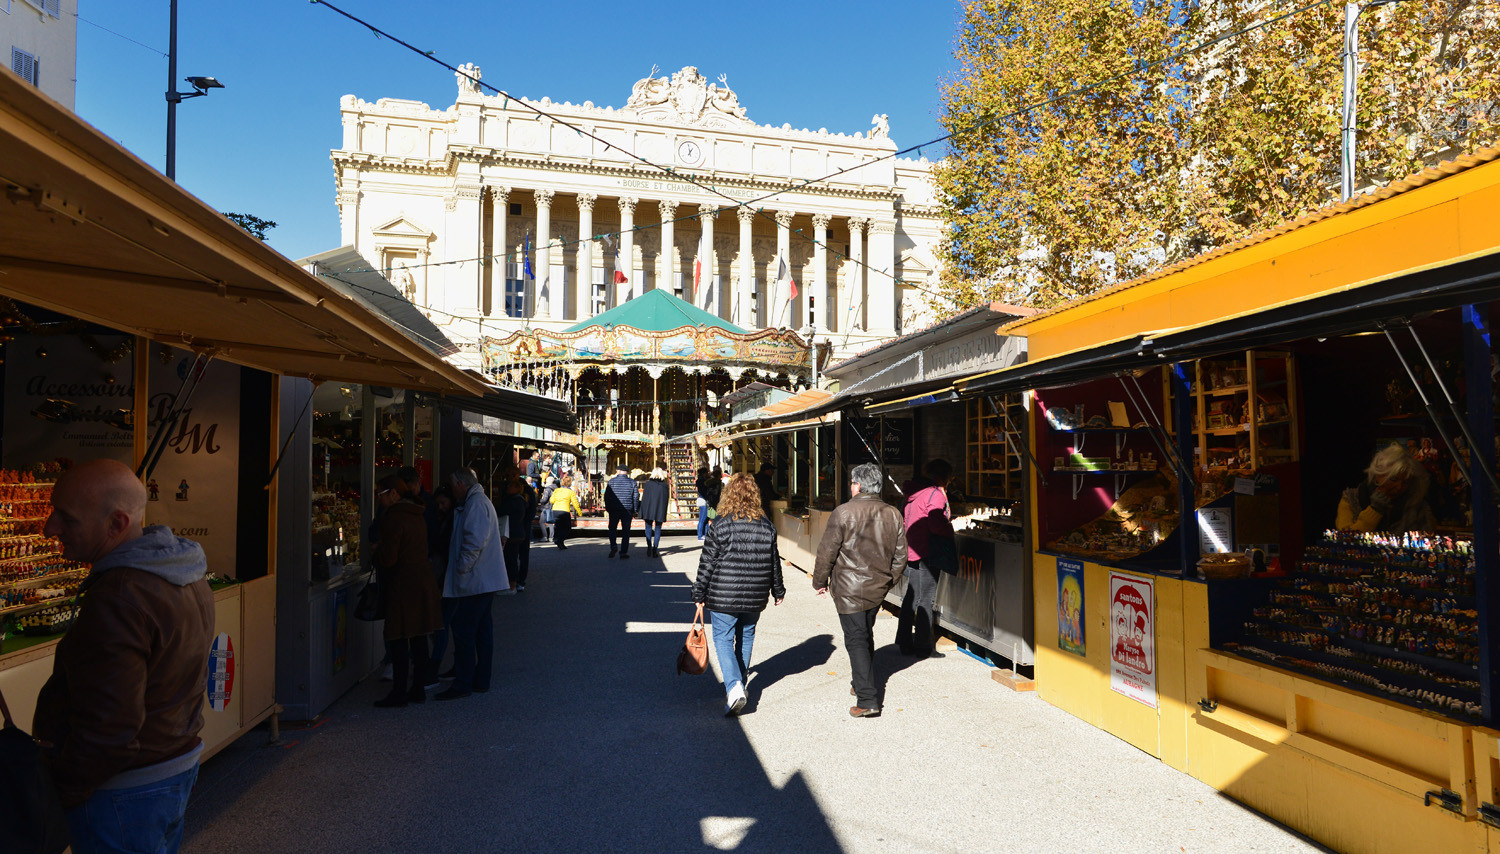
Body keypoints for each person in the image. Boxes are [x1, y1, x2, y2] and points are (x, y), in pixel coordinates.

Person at [33, 460, 214, 853]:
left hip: (123, 792)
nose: (49, 528)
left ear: (116, 524)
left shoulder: (119, 596)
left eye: (66, 517)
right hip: (172, 769)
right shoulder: (183, 572)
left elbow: (109, 732)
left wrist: (60, 791)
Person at [812, 462, 907, 718]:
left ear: (859, 485)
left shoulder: (843, 512)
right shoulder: (893, 514)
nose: (851, 487)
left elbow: (826, 551)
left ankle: (867, 699)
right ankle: (860, 681)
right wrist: (888, 581)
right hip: (877, 587)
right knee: (864, 635)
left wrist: (819, 581)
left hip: (849, 588)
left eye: (852, 483)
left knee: (856, 640)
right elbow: (901, 556)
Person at [692, 473, 785, 716]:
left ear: (728, 494)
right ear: (755, 496)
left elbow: (707, 562)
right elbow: (774, 561)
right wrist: (778, 590)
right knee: (746, 636)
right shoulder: (767, 526)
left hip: (723, 594)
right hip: (755, 594)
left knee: (723, 638)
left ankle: (734, 687)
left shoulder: (720, 524)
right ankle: (739, 685)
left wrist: (699, 592)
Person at [438, 468, 509, 700]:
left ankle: (464, 682)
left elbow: (474, 541)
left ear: (460, 484)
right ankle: (480, 679)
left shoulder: (476, 503)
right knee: (481, 631)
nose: (452, 490)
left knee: (465, 630)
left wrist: (462, 568)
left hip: (477, 580)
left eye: (453, 485)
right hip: (482, 580)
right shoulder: (477, 501)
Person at [372, 474, 443, 707]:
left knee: (399, 637)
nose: (378, 498)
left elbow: (390, 558)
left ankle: (399, 691)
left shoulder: (394, 517)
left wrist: (377, 551)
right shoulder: (417, 513)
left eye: (380, 494)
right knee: (419, 636)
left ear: (394, 494)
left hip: (402, 583)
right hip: (422, 580)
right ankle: (418, 688)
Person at [898, 459, 956, 658]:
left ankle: (904, 641)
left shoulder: (913, 492)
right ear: (943, 477)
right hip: (929, 552)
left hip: (913, 549)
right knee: (926, 598)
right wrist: (951, 527)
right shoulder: (935, 494)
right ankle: (923, 646)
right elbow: (936, 524)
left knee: (911, 596)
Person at [1337, 442, 1437, 533]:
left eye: (1405, 482)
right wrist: (1375, 510)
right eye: (1393, 479)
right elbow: (1346, 538)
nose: (1399, 487)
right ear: (1377, 475)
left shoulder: (1417, 505)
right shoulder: (1352, 499)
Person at [427, 485, 456, 682]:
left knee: (443, 623)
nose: (440, 507)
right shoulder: (445, 518)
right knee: (444, 623)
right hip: (444, 576)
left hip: (447, 577)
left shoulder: (451, 520)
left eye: (443, 503)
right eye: (438, 504)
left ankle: (434, 666)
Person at [500, 471, 535, 591]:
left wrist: (525, 524)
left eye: (512, 474)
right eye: (507, 475)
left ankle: (518, 581)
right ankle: (514, 581)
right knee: (512, 556)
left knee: (518, 556)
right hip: (517, 529)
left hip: (519, 529)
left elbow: (531, 510)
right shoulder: (510, 493)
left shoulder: (521, 495)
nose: (509, 477)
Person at [604, 463, 640, 558]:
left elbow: (607, 497)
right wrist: (635, 509)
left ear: (619, 471)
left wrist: (608, 508)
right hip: (627, 510)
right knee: (626, 531)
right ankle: (623, 552)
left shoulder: (612, 482)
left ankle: (613, 545)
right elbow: (636, 497)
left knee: (612, 528)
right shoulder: (632, 482)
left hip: (614, 509)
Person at [640, 467, 671, 558]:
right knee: (658, 529)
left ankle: (649, 546)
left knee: (648, 527)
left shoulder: (648, 484)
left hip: (649, 509)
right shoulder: (664, 486)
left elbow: (645, 498)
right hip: (659, 509)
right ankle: (655, 548)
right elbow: (666, 499)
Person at [550, 474, 581, 549]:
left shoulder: (556, 490)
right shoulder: (570, 492)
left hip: (555, 511)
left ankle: (561, 543)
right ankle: (559, 540)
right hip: (564, 511)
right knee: (567, 528)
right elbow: (575, 503)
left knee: (559, 527)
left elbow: (551, 500)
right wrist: (579, 512)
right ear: (570, 483)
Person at [695, 465, 721, 540]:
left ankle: (705, 534)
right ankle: (700, 535)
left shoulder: (701, 480)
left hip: (703, 500)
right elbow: (705, 491)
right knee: (703, 519)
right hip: (704, 500)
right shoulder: (703, 481)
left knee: (705, 519)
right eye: (707, 473)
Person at [540, 477, 558, 543]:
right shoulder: (556, 488)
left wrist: (540, 501)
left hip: (546, 507)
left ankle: (545, 537)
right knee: (550, 522)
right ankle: (551, 537)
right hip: (552, 506)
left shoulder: (547, 489)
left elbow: (545, 499)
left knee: (541, 522)